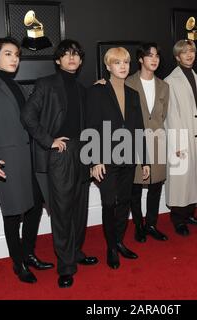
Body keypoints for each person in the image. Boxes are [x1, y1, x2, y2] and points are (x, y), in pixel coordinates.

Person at [0, 37, 53, 284]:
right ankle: (18, 264)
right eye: (8, 54)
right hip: (7, 164)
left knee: (33, 211)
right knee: (12, 216)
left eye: (16, 54)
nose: (14, 59)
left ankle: (29, 254)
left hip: (30, 161)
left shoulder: (19, 88)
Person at [21, 39, 98, 288]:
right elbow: (27, 115)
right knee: (63, 211)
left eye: (76, 54)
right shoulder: (46, 84)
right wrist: (48, 140)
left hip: (81, 152)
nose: (72, 58)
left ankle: (75, 252)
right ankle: (66, 266)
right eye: (66, 54)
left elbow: (87, 126)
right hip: (60, 154)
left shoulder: (82, 89)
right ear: (58, 60)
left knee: (79, 209)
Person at [86, 47, 150, 269]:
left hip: (129, 157)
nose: (123, 66)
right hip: (105, 159)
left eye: (125, 62)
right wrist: (94, 160)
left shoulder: (133, 93)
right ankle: (111, 248)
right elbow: (91, 126)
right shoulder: (97, 92)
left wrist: (145, 161)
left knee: (124, 202)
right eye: (117, 62)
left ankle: (120, 242)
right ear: (108, 66)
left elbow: (139, 128)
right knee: (109, 204)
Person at [126, 43, 169, 243]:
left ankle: (152, 224)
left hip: (158, 141)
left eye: (157, 56)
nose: (154, 59)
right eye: (149, 55)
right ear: (141, 59)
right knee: (135, 188)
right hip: (135, 141)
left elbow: (163, 115)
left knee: (156, 186)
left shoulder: (164, 85)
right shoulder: (128, 83)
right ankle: (138, 225)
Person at [164, 39, 197, 237]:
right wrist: (178, 145)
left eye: (192, 51)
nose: (189, 55)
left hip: (196, 136)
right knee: (181, 179)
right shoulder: (170, 81)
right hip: (180, 138)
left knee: (193, 177)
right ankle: (178, 219)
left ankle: (189, 214)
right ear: (177, 56)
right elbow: (171, 115)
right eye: (185, 52)